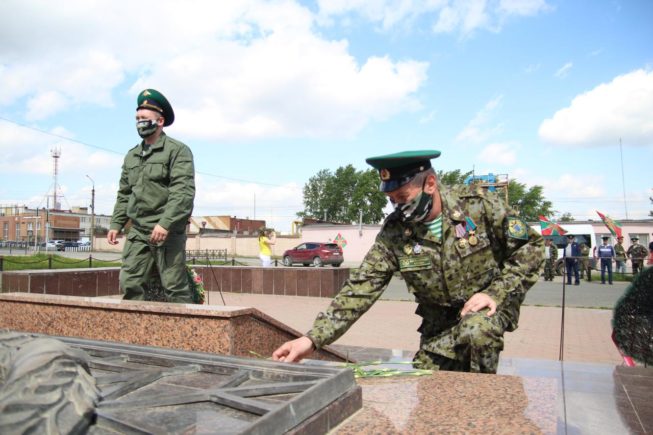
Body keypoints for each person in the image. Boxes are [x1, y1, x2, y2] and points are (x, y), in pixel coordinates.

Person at [272, 150, 544, 374]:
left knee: (477, 331)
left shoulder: (479, 206)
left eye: (403, 197)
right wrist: (312, 340)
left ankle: (486, 406)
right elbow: (360, 288)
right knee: (427, 395)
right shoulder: (395, 232)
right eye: (392, 200)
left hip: (487, 311)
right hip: (438, 331)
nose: (398, 207)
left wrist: (495, 292)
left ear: (430, 184)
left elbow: (532, 246)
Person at [108, 89, 196, 303]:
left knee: (175, 287)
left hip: (167, 231)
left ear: (160, 121)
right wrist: (116, 224)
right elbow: (125, 193)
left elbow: (183, 192)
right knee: (130, 282)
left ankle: (185, 332)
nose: (139, 122)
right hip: (139, 231)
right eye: (137, 118)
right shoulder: (132, 155)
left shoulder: (177, 150)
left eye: (144, 118)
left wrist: (165, 224)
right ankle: (134, 333)